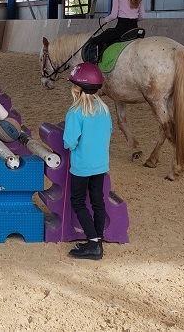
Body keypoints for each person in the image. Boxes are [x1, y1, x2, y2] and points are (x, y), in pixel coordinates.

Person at [62, 62, 113, 260]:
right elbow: (108, 132)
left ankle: (93, 244)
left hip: (82, 166)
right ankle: (98, 239)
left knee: (78, 202)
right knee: (97, 200)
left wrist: (72, 145)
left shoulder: (75, 113)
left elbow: (69, 142)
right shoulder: (105, 110)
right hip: (100, 165)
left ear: (77, 89)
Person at [86, 0, 145, 64]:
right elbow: (142, 16)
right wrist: (132, 19)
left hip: (121, 29)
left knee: (94, 41)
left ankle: (94, 64)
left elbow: (114, 15)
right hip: (134, 29)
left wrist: (104, 20)